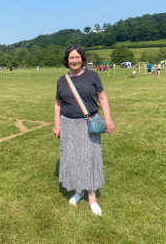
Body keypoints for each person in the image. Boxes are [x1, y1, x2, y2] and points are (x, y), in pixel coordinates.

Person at [53, 44, 115, 216]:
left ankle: (92, 198)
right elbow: (58, 104)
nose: (74, 60)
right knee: (73, 158)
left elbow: (102, 98)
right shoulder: (61, 80)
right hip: (68, 124)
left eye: (77, 57)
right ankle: (78, 191)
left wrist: (108, 120)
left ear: (82, 58)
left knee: (90, 158)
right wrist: (57, 124)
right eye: (71, 57)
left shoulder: (92, 76)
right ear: (67, 60)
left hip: (89, 123)